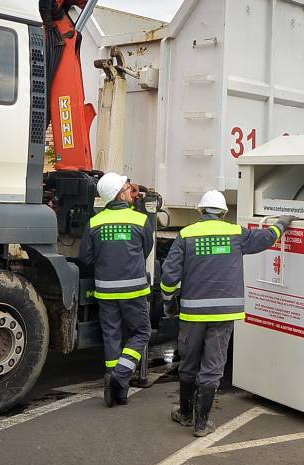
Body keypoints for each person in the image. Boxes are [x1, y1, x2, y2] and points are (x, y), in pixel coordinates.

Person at [160, 191, 292, 437]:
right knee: (213, 365)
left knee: (188, 363)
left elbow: (169, 275)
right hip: (224, 313)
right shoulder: (235, 233)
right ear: (223, 213)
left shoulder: (186, 235)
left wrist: (168, 300)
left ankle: (186, 414)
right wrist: (282, 224)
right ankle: (202, 424)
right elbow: (266, 238)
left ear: (201, 211)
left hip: (193, 313)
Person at [80, 172, 155, 407]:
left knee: (111, 337)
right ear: (120, 193)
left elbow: (85, 257)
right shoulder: (140, 220)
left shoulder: (94, 222)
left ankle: (118, 393)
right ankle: (120, 375)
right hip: (133, 290)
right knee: (141, 333)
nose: (130, 190)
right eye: (126, 186)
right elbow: (147, 248)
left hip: (105, 292)